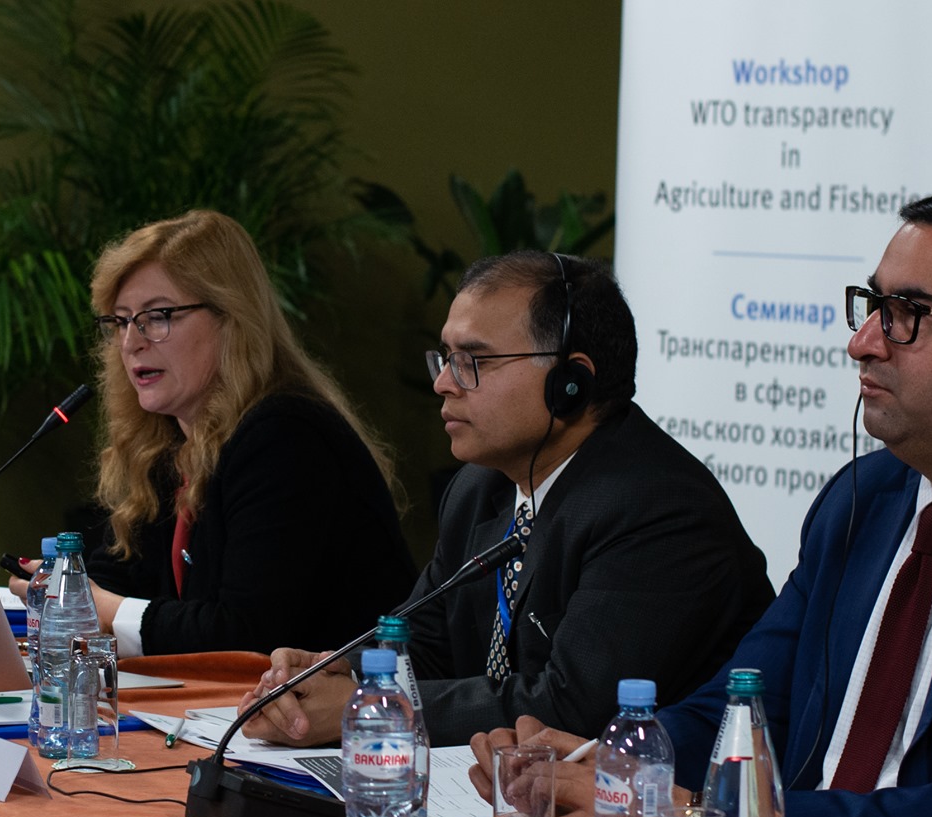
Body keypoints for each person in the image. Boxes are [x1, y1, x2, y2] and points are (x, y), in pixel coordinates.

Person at [467, 190, 932, 817]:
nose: (863, 342)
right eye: (872, 306)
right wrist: (606, 764)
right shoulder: (863, 498)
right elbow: (747, 703)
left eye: (907, 315)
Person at [237, 250, 774, 745]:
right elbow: (425, 647)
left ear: (570, 383)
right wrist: (339, 673)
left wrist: (371, 708)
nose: (444, 383)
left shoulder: (658, 509)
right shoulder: (479, 487)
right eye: (446, 357)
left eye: (474, 360)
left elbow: (572, 707)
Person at [12, 209, 415, 657]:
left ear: (231, 318)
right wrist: (62, 587)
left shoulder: (286, 437)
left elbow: (244, 633)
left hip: (354, 700)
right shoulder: (167, 444)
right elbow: (121, 576)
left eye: (157, 316)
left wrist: (103, 609)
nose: (131, 342)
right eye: (121, 321)